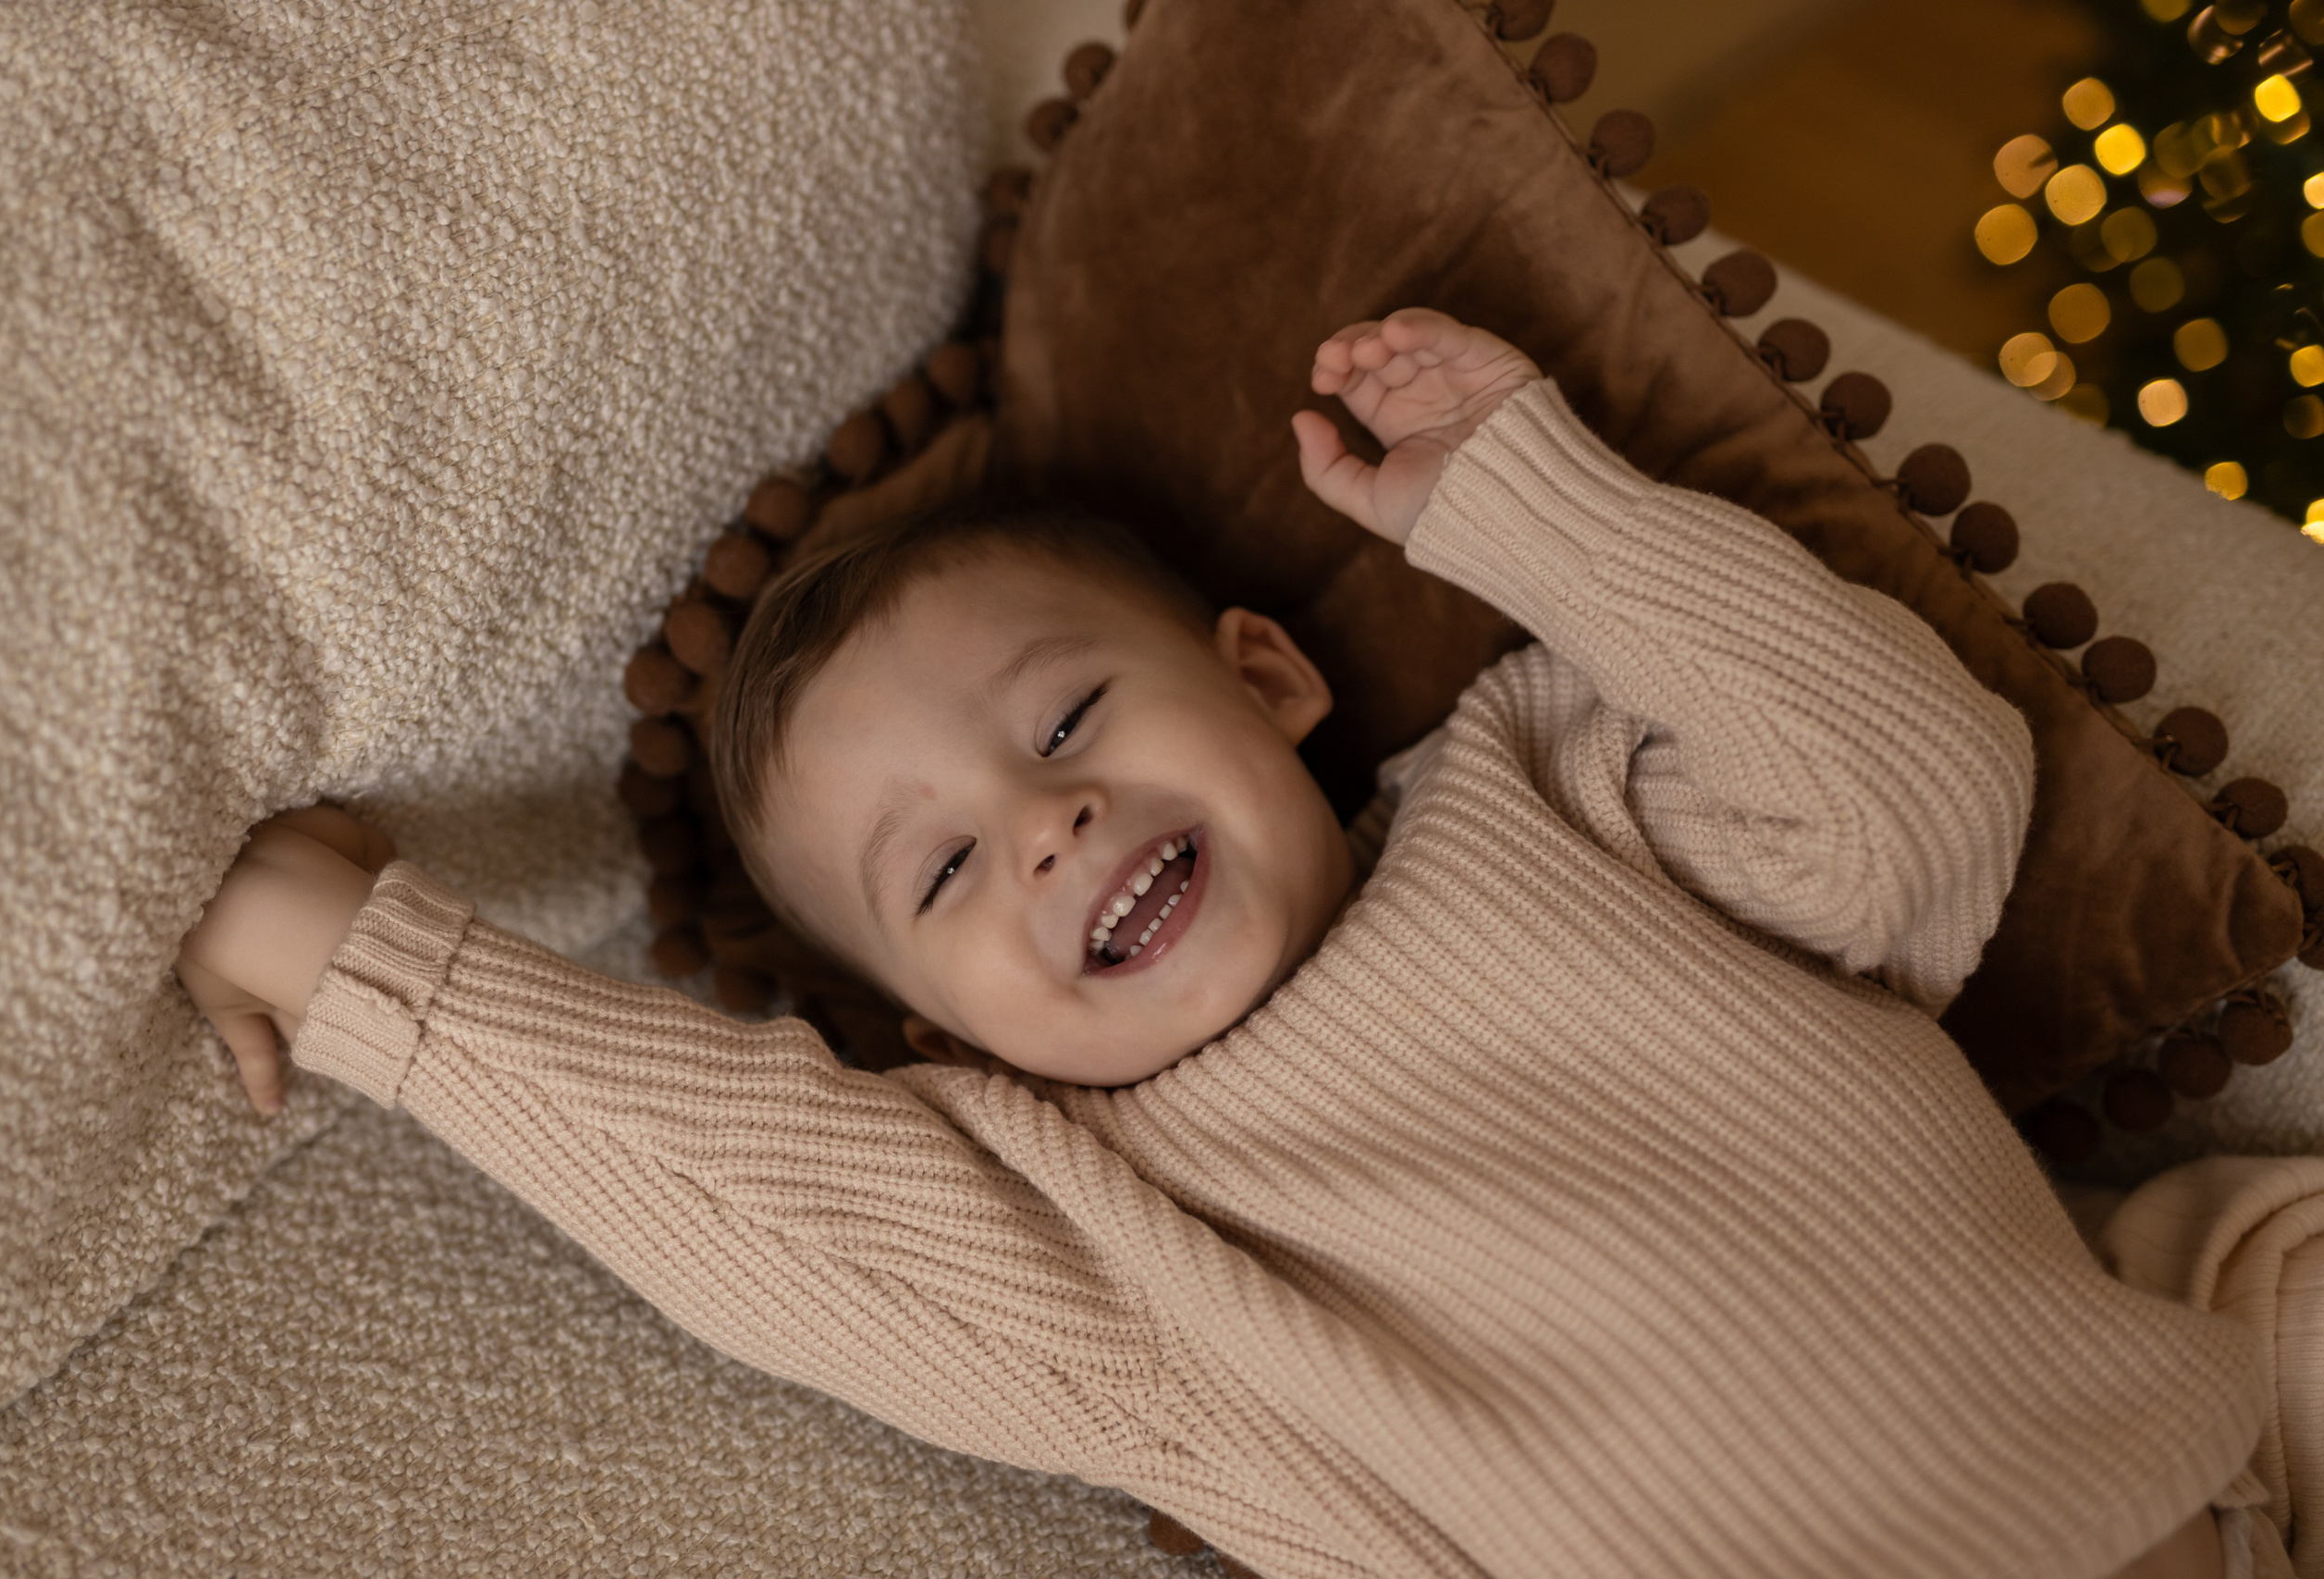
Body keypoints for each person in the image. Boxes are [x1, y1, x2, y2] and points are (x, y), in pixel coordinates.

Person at [176, 310, 2265, 1578]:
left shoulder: (1546, 781)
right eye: (943, 870)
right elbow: (785, 1217)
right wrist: (364, 958)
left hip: (2183, 1450)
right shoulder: (1112, 1226)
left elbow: (1909, 788)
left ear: (1265, 675)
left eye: (1068, 720)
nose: (1050, 822)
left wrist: (1521, 500)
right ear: (935, 1025)